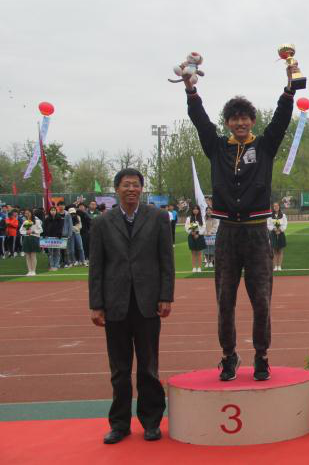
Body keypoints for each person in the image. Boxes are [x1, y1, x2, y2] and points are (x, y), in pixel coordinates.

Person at [183, 61, 297, 382]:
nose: (240, 122)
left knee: (262, 301)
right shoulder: (217, 146)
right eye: (234, 118)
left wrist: (290, 89)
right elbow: (200, 121)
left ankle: (262, 356)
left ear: (252, 121)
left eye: (245, 117)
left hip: (257, 234)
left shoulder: (264, 146)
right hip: (227, 234)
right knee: (225, 301)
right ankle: (228, 356)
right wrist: (191, 90)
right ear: (228, 123)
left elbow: (281, 120)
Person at [89, 168, 175, 444]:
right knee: (119, 370)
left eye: (136, 185)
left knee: (149, 367)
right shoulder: (102, 223)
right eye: (126, 185)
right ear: (116, 189)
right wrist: (96, 304)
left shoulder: (158, 217)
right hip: (115, 303)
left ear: (141, 188)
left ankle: (151, 422)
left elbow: (166, 260)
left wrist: (166, 296)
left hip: (148, 302)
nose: (131, 189)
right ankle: (119, 424)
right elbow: (96, 267)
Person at [19, 209, 42, 276]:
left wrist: (33, 231)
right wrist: (26, 232)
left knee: (33, 255)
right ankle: (29, 271)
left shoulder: (37, 221)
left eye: (28, 213)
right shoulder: (26, 222)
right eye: (26, 213)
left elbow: (41, 230)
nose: (27, 214)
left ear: (31, 213)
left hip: (34, 238)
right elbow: (21, 230)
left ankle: (33, 271)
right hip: (26, 238)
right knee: (27, 256)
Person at [185, 204, 206, 273]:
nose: (195, 210)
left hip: (199, 236)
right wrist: (191, 232)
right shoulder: (189, 218)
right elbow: (186, 227)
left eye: (197, 209)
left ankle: (199, 267)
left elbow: (204, 227)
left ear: (199, 210)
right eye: (194, 209)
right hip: (191, 236)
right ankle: (194, 267)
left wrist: (198, 234)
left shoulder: (202, 218)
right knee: (193, 253)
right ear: (192, 210)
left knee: (199, 253)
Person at [267, 202, 288, 272]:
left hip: (281, 233)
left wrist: (280, 230)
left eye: (277, 206)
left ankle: (279, 266)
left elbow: (285, 224)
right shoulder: (270, 216)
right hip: (273, 234)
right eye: (274, 206)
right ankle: (275, 266)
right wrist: (274, 229)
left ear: (279, 207)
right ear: (273, 207)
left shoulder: (283, 215)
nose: (276, 207)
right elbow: (268, 225)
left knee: (280, 250)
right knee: (274, 251)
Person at [42, 206, 64, 271]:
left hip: (57, 238)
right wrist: (45, 235)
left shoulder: (59, 218)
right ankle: (51, 265)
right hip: (49, 238)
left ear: (56, 211)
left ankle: (56, 265)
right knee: (50, 253)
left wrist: (59, 235)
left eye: (54, 210)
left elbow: (61, 228)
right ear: (49, 211)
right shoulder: (47, 219)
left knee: (57, 252)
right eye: (51, 210)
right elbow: (44, 228)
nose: (53, 211)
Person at [203, 202, 219, 269]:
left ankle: (211, 261)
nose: (208, 211)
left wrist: (210, 232)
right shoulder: (204, 218)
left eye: (210, 210)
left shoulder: (215, 218)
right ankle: (207, 261)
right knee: (205, 249)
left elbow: (216, 226)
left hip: (213, 235)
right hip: (205, 235)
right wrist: (205, 232)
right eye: (207, 210)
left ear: (212, 211)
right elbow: (202, 226)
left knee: (213, 249)